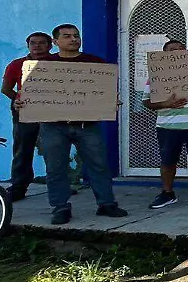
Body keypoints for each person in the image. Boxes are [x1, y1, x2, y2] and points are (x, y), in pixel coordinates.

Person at [14, 24, 127, 225]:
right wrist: (20, 102)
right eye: (67, 36)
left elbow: (104, 91)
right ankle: (60, 207)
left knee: (99, 165)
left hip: (87, 125)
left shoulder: (95, 63)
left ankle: (106, 204)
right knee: (55, 167)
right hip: (53, 126)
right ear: (55, 41)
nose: (74, 39)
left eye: (76, 35)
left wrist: (111, 100)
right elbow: (28, 94)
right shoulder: (42, 65)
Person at [143, 40, 188, 209]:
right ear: (164, 54)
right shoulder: (156, 75)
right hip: (168, 126)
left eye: (181, 49)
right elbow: (146, 102)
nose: (177, 52)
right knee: (168, 161)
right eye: (172, 50)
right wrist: (166, 104)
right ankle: (167, 193)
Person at [1, 31, 52, 202]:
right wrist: (19, 99)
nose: (37, 46)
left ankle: (60, 185)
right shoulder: (17, 64)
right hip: (24, 110)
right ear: (28, 45)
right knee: (23, 149)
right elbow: (6, 89)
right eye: (33, 43)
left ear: (50, 46)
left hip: (52, 110)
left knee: (55, 148)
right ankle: (18, 187)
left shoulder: (58, 64)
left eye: (42, 43)